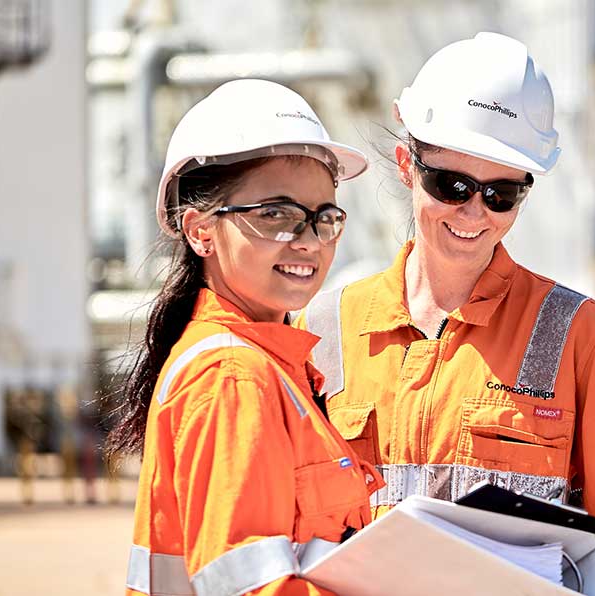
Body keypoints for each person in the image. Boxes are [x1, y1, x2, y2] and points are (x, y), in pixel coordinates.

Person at [300, 33, 595, 595]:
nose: (473, 213)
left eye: (500, 194)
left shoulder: (575, 332)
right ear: (406, 167)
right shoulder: (322, 327)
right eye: (452, 185)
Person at [107, 78, 382, 596]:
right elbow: (251, 587)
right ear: (200, 231)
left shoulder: (275, 366)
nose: (308, 241)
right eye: (275, 214)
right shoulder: (234, 377)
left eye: (323, 217)